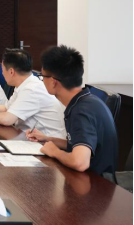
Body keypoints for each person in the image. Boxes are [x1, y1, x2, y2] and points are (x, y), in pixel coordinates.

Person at [27, 45, 118, 176]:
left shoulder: (81, 111)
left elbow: (80, 162)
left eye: (43, 77)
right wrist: (47, 139)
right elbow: (78, 145)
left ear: (53, 82)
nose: (42, 81)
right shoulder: (86, 101)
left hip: (97, 183)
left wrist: (54, 151)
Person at [0, 48, 66, 137]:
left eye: (3, 69)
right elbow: (6, 108)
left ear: (11, 71)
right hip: (28, 136)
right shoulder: (24, 84)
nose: (2, 73)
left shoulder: (31, 89)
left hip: (46, 143)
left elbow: (7, 119)